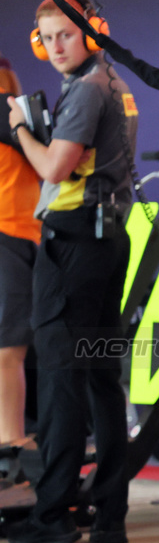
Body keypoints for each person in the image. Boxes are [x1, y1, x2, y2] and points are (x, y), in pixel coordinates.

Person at [6, 0, 136, 543]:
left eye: (65, 33)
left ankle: (53, 515)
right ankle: (109, 514)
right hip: (104, 241)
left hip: (74, 242)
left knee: (61, 379)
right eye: (48, 37)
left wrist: (18, 128)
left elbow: (54, 166)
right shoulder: (111, 83)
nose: (56, 46)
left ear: (90, 32)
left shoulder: (86, 89)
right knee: (103, 379)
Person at [0, 59, 42, 449]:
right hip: (9, 234)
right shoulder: (4, 106)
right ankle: (12, 445)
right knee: (8, 351)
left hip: (19, 233)